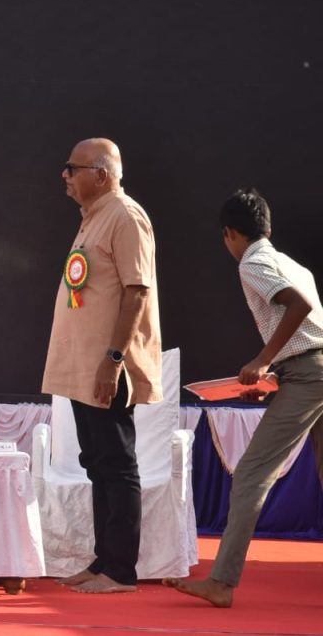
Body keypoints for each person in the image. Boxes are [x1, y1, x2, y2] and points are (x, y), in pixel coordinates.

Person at [165, 189, 323, 608]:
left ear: (229, 234)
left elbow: (299, 307)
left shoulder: (252, 262)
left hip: (309, 375)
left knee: (251, 474)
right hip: (311, 371)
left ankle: (222, 582)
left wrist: (263, 360)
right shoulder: (292, 263)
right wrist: (273, 373)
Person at [41, 138, 162, 594]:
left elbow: (137, 290)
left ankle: (121, 571)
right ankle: (103, 560)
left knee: (116, 463)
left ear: (102, 174)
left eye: (73, 168)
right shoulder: (93, 218)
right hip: (84, 366)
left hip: (108, 366)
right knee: (96, 463)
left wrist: (114, 359)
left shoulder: (125, 215)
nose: (65, 175)